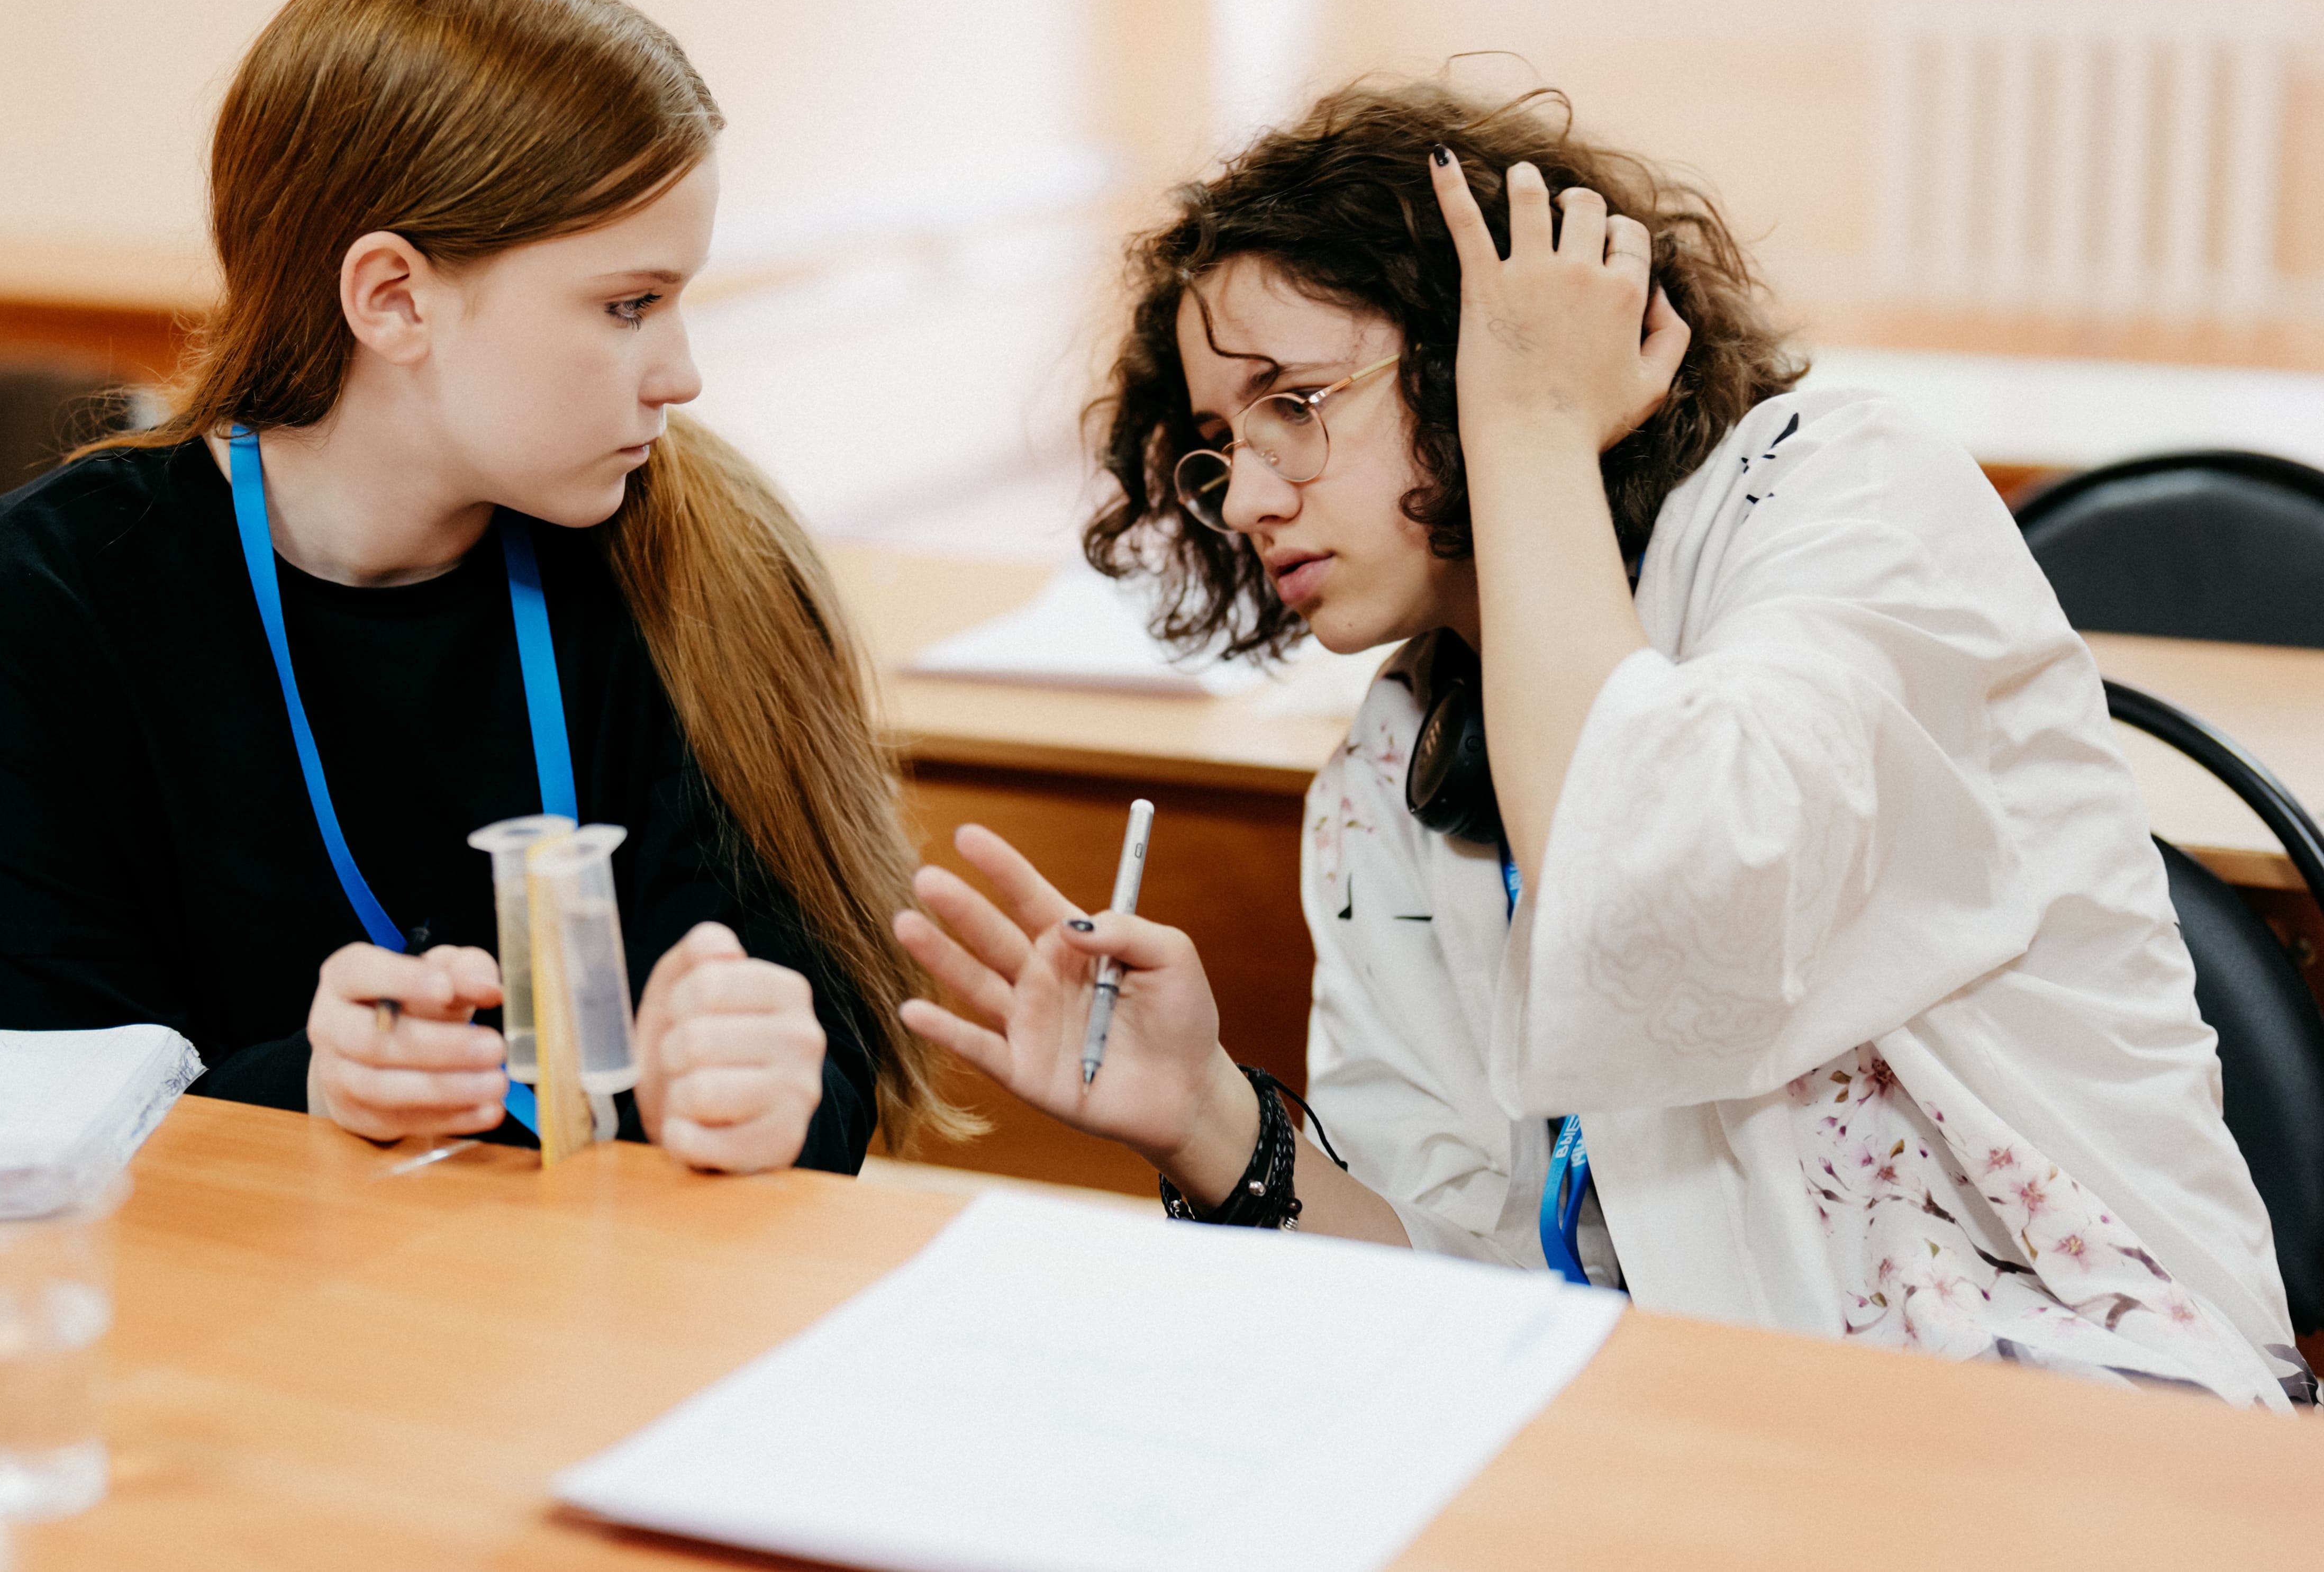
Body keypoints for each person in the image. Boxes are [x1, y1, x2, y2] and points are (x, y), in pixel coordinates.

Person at [894, 79, 2309, 1407]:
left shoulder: (1844, 494)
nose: (1250, 494)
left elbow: (1666, 898)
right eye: (1218, 439)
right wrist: (1210, 1116)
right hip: (1714, 1438)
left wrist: (1526, 421)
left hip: (2093, 1414)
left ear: (1472, 349)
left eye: (1296, 403)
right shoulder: (1390, 768)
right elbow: (1476, 1287)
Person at [0, 0, 962, 1175]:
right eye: (628, 305)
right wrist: (305, 1086)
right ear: (393, 298)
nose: (682, 373)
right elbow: (37, 1096)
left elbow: (835, 1068)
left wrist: (769, 1082)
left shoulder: (710, 563)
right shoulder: (42, 605)